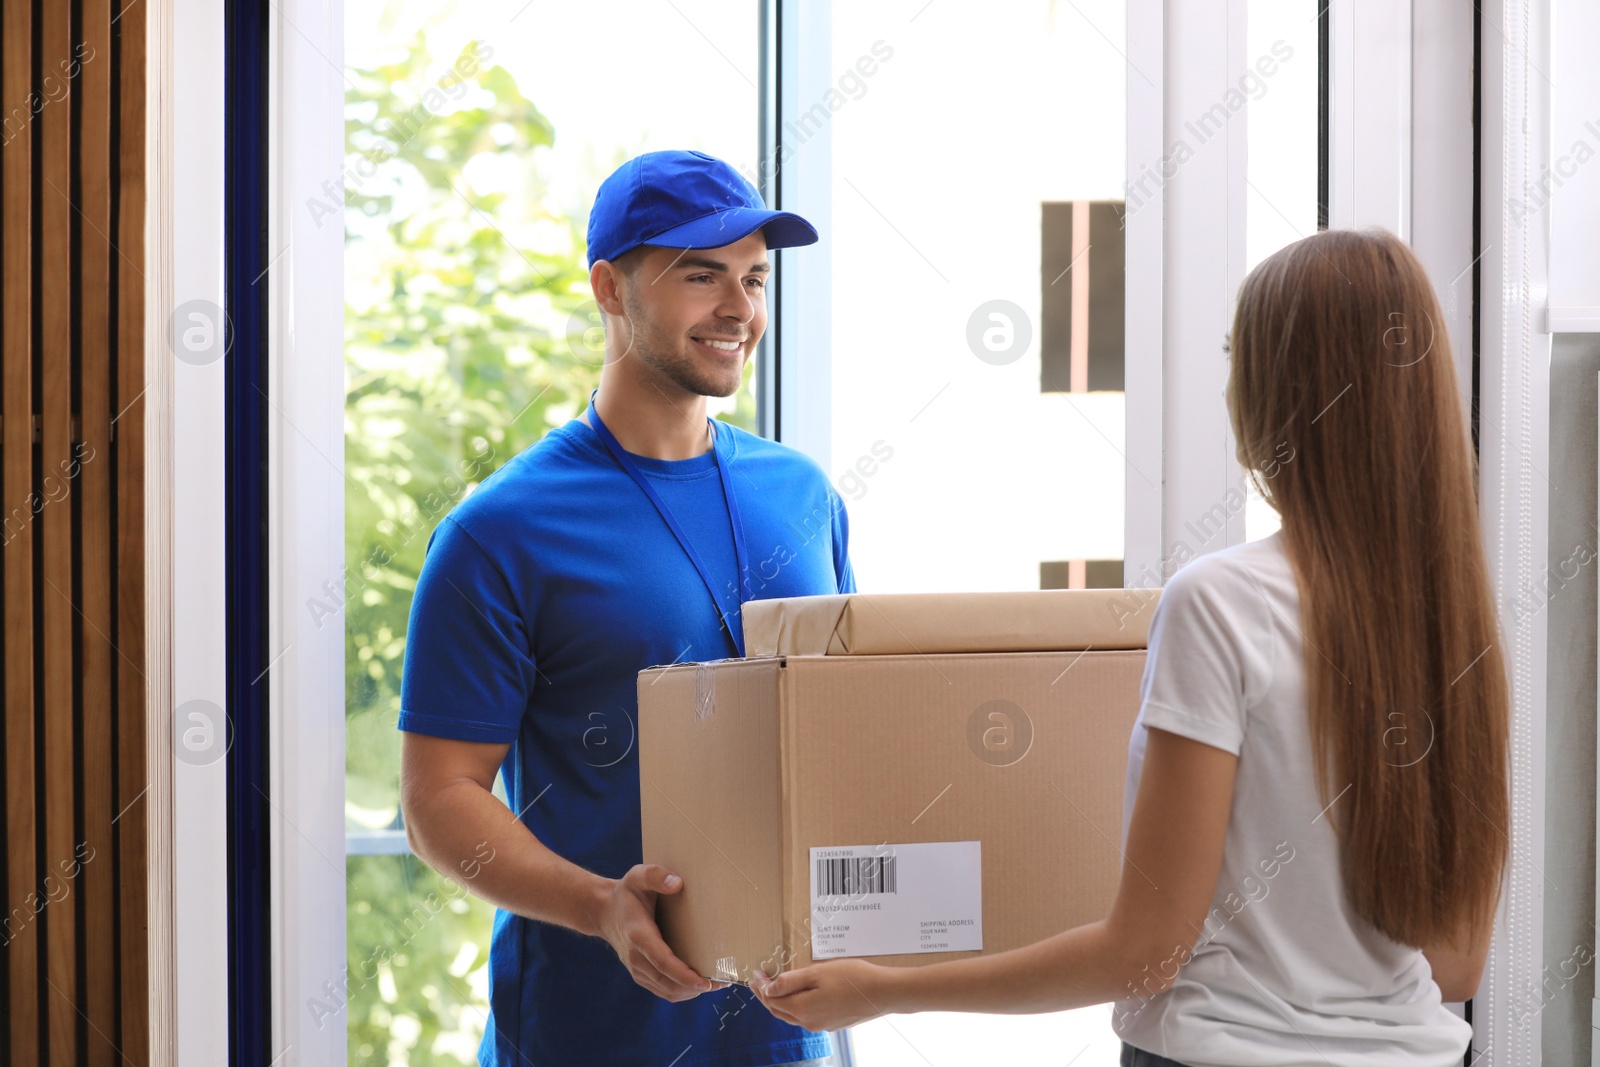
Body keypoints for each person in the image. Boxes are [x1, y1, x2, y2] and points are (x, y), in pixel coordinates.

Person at [749, 228, 1509, 1067]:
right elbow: (1456, 964)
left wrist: (891, 986)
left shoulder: (1224, 602)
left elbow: (1144, 951)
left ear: (1284, 391)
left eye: (1235, 357)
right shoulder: (1453, 623)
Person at [399, 149, 855, 1067]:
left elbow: (841, 731)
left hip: (790, 1033)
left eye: (754, 278)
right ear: (611, 288)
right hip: (589, 1034)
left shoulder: (805, 495)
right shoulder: (503, 529)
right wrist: (601, 905)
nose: (739, 309)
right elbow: (439, 800)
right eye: (700, 275)